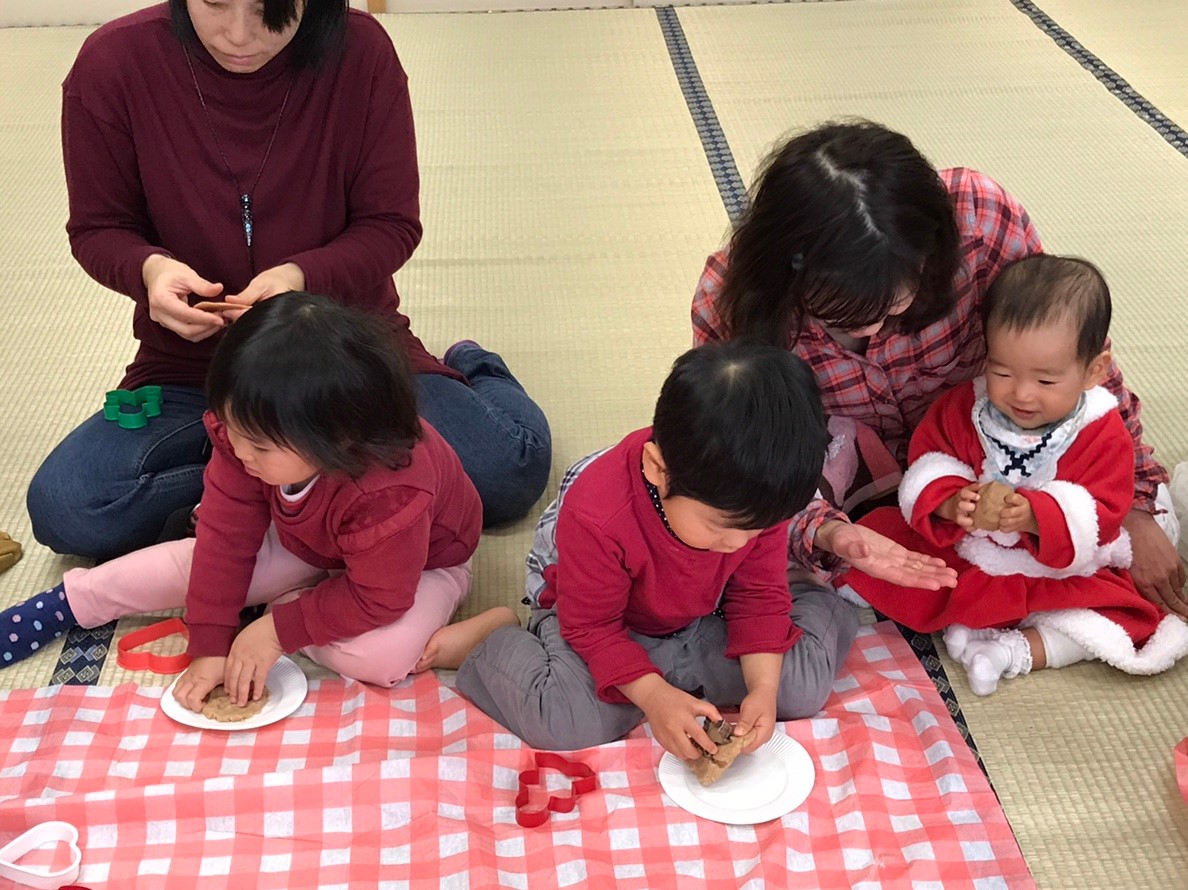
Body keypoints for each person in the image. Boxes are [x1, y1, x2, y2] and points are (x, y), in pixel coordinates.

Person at [26, 0, 550, 561]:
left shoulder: (360, 52)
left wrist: (301, 280)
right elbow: (100, 228)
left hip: (346, 358)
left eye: (269, 9)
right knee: (70, 506)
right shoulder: (113, 63)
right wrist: (149, 270)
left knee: (505, 474)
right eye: (215, 3)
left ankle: (473, 365)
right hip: (194, 369)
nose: (237, 35)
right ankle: (296, 481)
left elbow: (391, 225)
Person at [690, 119, 1186, 619]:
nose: (873, 331)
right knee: (729, 540)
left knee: (1114, 554)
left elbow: (1069, 353)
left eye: (895, 306)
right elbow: (748, 453)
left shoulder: (980, 220)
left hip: (995, 443)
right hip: (852, 469)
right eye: (842, 315)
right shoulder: (734, 304)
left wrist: (1139, 505)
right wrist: (825, 530)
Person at [2, 293, 482, 708]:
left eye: (260, 446)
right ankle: (68, 603)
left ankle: (485, 371)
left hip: (419, 568)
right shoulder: (248, 437)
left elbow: (382, 597)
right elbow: (224, 540)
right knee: (200, 562)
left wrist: (275, 630)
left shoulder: (390, 488)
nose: (237, 450)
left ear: (337, 440)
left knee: (383, 657)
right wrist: (211, 642)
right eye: (233, 431)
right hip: (313, 545)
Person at [417, 342, 858, 757]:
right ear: (657, 469)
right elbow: (591, 627)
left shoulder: (752, 500)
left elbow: (758, 594)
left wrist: (762, 689)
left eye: (756, 530)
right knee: (565, 720)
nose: (740, 544)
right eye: (722, 529)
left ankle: (810, 595)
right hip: (597, 619)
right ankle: (494, 639)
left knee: (795, 689)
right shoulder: (600, 513)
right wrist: (654, 696)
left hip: (699, 613)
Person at [839, 255, 1188, 694]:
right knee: (880, 544)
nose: (1021, 394)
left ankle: (1014, 652)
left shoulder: (1100, 428)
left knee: (1126, 615)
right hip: (974, 552)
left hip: (1061, 567)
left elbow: (1103, 512)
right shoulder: (969, 406)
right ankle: (969, 625)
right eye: (1002, 372)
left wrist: (1036, 515)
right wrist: (950, 500)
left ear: (1094, 370)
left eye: (1045, 381)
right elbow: (932, 456)